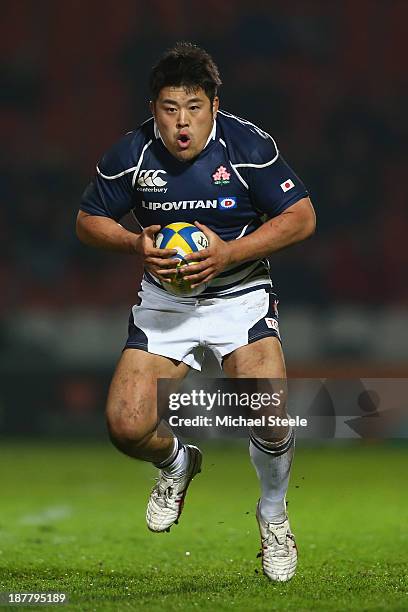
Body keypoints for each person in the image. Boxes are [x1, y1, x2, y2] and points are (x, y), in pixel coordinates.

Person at [77, 42, 316, 582]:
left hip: (240, 294)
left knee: (270, 415)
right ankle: (177, 464)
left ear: (213, 103)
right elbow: (88, 219)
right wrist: (134, 242)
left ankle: (274, 517)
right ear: (152, 108)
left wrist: (228, 253)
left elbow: (301, 217)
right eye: (168, 109)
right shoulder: (131, 153)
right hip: (166, 303)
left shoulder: (248, 145)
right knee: (125, 426)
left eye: (193, 107)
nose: (181, 123)